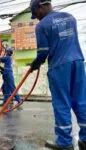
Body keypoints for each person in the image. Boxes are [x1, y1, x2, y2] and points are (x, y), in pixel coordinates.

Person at [30, 0, 86, 150]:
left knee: (61, 103)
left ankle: (64, 142)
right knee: (81, 101)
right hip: (78, 62)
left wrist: (35, 64)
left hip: (60, 66)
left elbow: (43, 52)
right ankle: (85, 139)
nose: (37, 18)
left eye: (35, 14)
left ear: (40, 7)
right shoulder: (70, 17)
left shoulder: (42, 26)